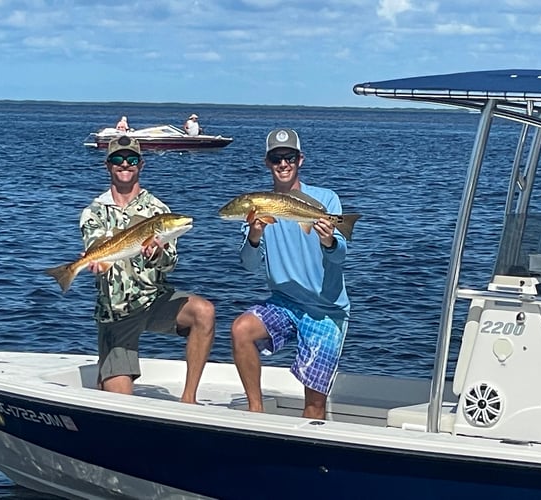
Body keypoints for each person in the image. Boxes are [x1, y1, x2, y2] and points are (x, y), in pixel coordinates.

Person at [79, 135, 215, 403]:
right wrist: (96, 263)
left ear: (141, 165)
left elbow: (171, 262)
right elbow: (96, 245)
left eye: (131, 159)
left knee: (204, 311)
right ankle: (108, 372)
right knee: (120, 404)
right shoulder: (94, 212)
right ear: (108, 165)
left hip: (154, 300)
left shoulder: (158, 210)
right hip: (116, 312)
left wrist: (158, 254)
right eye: (118, 159)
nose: (125, 164)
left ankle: (189, 399)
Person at [229, 128, 350, 420]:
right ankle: (255, 413)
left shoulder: (326, 198)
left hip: (326, 310)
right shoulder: (258, 207)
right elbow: (249, 265)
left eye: (289, 157)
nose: (283, 164)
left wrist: (329, 240)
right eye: (276, 158)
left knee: (314, 404)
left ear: (300, 160)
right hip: (284, 301)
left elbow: (340, 257)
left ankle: (311, 452)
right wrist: (255, 235)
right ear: (267, 162)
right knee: (241, 329)